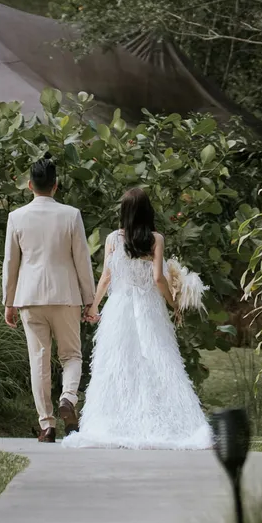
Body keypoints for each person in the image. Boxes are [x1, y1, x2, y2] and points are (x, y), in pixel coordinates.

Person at [66, 185, 212, 449]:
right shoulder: (156, 239)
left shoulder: (113, 239)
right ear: (147, 212)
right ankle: (167, 420)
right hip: (149, 309)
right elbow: (158, 279)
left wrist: (93, 307)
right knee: (158, 359)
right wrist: (173, 304)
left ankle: (113, 421)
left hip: (119, 308)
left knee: (118, 364)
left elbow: (106, 277)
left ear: (124, 212)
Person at [1, 156, 98, 442]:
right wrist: (90, 299)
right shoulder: (71, 215)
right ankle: (68, 397)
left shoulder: (16, 217)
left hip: (29, 297)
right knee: (72, 355)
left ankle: (47, 425)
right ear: (56, 185)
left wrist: (9, 301)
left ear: (30, 185)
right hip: (66, 295)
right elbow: (82, 260)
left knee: (38, 360)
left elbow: (11, 263)